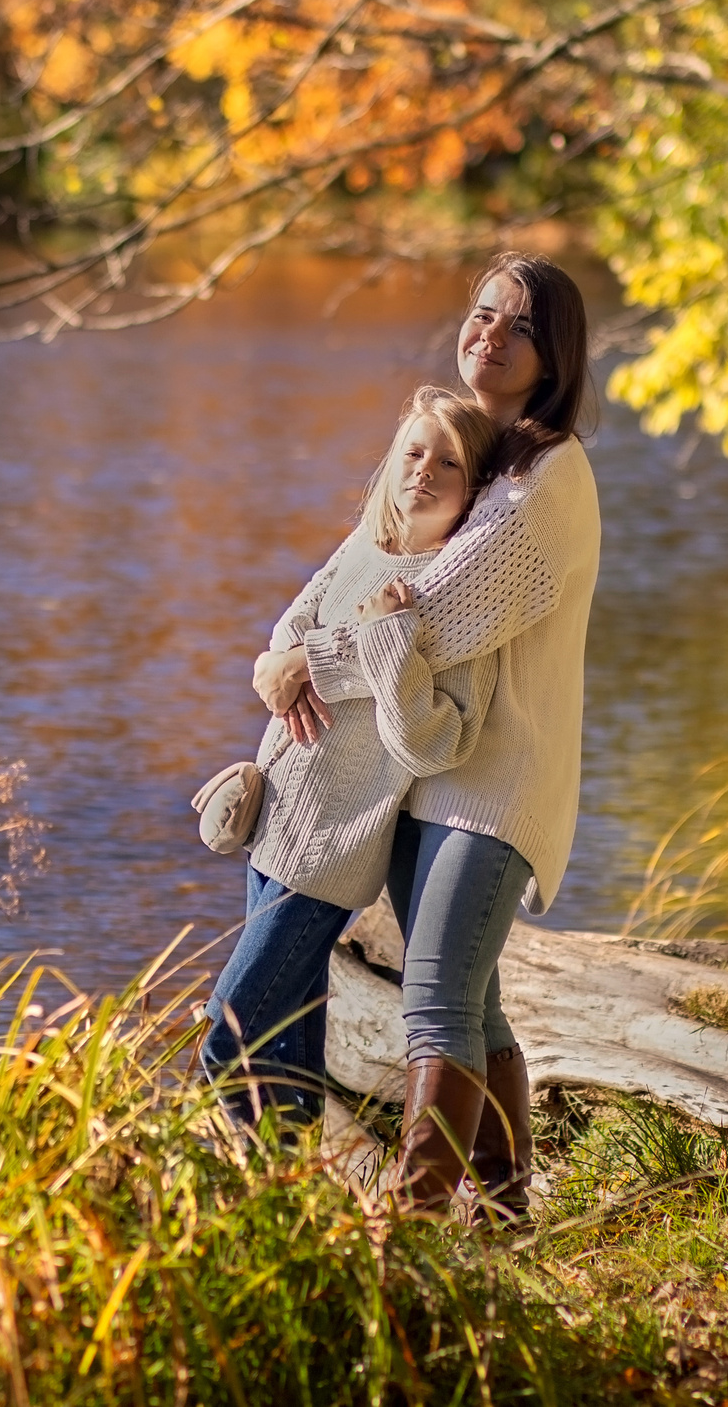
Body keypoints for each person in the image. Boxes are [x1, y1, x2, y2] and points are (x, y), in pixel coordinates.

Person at [254, 252, 600, 1216]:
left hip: (498, 783)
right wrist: (278, 651)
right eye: (483, 314)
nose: (490, 335)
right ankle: (501, 1213)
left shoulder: (548, 479)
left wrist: (300, 669)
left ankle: (410, 1224)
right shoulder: (463, 452)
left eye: (518, 326)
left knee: (436, 1001)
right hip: (430, 769)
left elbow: (434, 621)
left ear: (553, 355)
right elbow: (359, 573)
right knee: (474, 1006)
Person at [201, 388, 508, 1134]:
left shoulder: (452, 598)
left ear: (473, 490)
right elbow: (292, 627)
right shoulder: (365, 547)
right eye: (413, 451)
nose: (424, 471)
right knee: (287, 1043)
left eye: (449, 462)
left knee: (228, 1034)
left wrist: (388, 639)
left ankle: (267, 1193)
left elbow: (435, 741)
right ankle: (300, 1208)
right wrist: (283, 665)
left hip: (332, 851)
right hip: (274, 821)